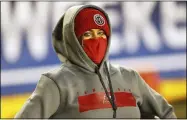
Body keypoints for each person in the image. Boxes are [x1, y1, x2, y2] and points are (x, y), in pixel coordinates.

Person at [14, 4, 177, 118]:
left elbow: (166, 112)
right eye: (87, 35)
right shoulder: (56, 83)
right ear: (73, 40)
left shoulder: (129, 77)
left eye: (101, 34)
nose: (96, 39)